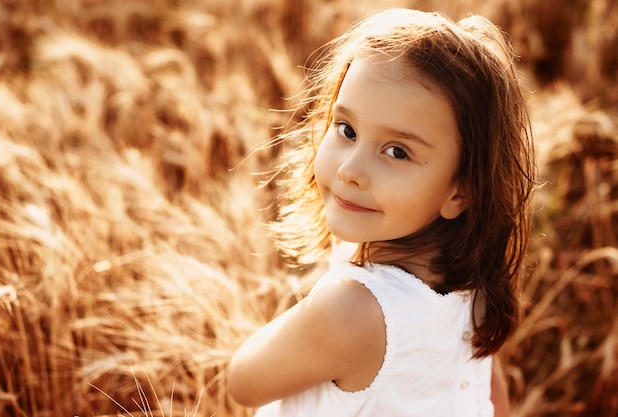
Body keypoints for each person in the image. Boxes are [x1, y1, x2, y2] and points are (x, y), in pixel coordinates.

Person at [228, 7, 536, 417]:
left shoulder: (352, 312)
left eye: (397, 152)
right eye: (346, 130)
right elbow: (491, 401)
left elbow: (244, 382)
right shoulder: (471, 289)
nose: (350, 170)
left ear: (460, 192)